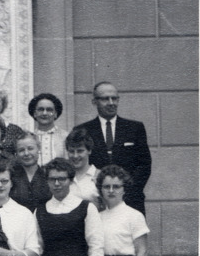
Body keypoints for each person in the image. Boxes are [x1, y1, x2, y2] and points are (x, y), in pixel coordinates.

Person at [72, 82, 151, 215]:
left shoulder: (134, 128)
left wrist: (125, 191)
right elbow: (80, 164)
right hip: (96, 201)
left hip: (130, 200)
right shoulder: (83, 130)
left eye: (114, 98)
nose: (111, 103)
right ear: (94, 102)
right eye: (105, 99)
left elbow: (144, 165)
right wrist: (99, 192)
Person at [9, 133, 50, 212]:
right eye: (21, 150)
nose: (26, 153)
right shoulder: (10, 176)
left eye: (30, 148)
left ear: (39, 149)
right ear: (16, 154)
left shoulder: (47, 175)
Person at [28, 92, 67, 165]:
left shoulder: (65, 137)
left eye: (49, 110)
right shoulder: (29, 138)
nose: (44, 113)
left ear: (55, 114)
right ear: (34, 113)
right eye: (40, 109)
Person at [66, 127, 100, 207]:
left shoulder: (100, 176)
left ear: (89, 151)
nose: (75, 156)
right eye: (71, 151)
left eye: (80, 151)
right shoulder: (64, 176)